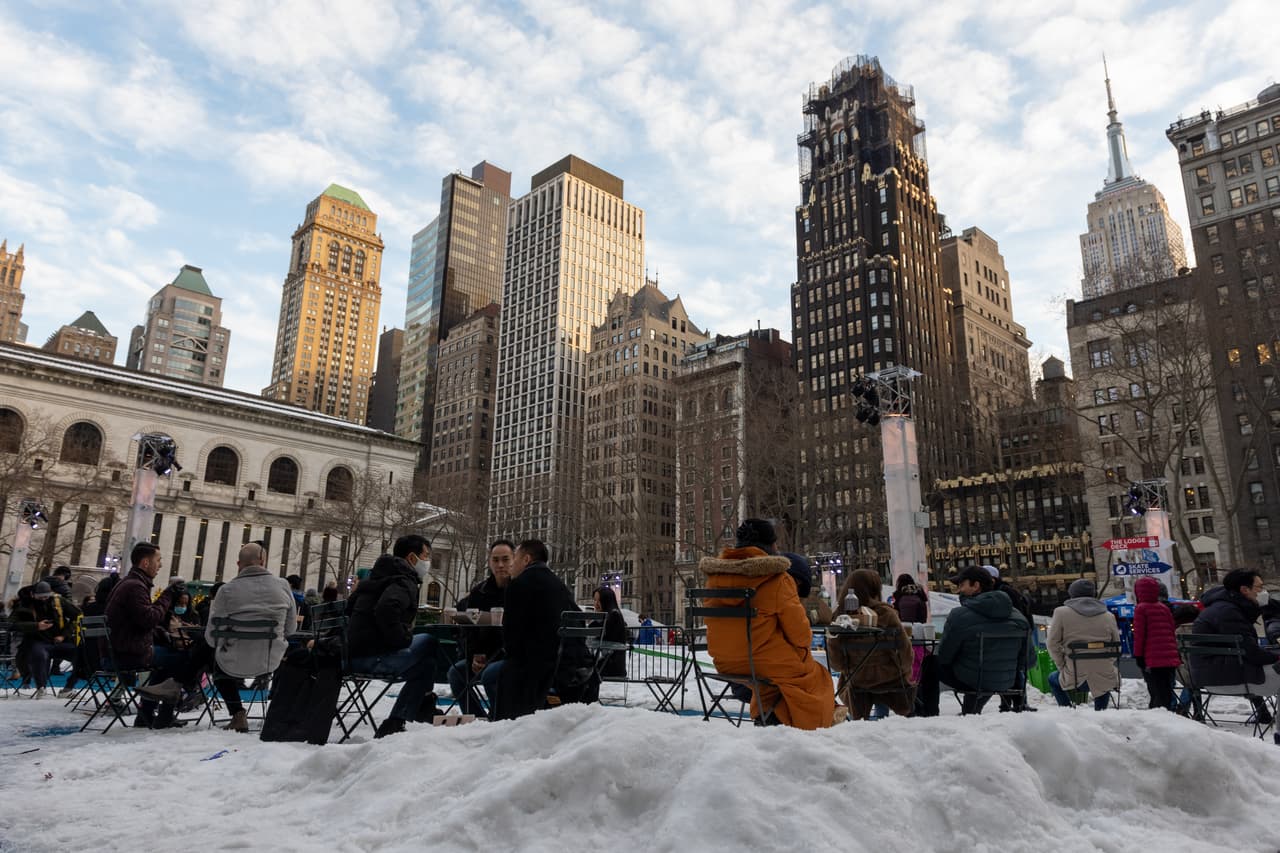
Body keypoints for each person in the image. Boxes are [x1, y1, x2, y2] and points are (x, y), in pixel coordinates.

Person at [699, 518, 835, 730]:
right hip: (763, 662)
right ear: (771, 546)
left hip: (724, 661)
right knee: (818, 676)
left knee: (771, 683)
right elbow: (800, 634)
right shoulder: (777, 579)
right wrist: (800, 651)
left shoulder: (715, 579)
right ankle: (809, 728)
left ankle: (769, 719)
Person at [345, 534, 439, 738]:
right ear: (412, 558)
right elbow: (386, 609)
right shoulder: (404, 580)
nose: (428, 561)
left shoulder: (375, 575)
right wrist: (402, 639)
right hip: (374, 658)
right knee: (431, 641)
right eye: (426, 556)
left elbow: (349, 608)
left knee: (427, 665)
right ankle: (417, 708)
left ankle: (398, 721)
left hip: (351, 654)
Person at [206, 542, 298, 732]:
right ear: (263, 561)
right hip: (271, 660)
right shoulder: (282, 586)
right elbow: (290, 629)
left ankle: (237, 713)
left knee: (208, 653)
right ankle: (281, 712)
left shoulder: (226, 590)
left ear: (239, 564)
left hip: (232, 662)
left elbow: (213, 637)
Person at [492, 539, 585, 720]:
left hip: (533, 670)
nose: (512, 565)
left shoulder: (518, 585)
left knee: (495, 673)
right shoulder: (560, 586)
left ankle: (498, 723)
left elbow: (512, 638)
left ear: (526, 559)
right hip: (566, 665)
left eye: (515, 559)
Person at [104, 543, 194, 728]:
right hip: (129, 653)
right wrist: (167, 595)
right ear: (145, 563)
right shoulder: (135, 587)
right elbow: (149, 618)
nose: (160, 565)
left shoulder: (130, 584)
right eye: (158, 560)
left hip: (121, 649)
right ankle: (163, 713)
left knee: (168, 662)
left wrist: (160, 634)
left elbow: (137, 621)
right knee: (183, 658)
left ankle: (147, 713)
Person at [935, 565, 1034, 715]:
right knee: (982, 670)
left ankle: (927, 714)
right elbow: (1029, 660)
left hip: (971, 679)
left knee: (929, 664)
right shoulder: (1018, 617)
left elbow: (944, 656)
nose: (959, 590)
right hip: (1006, 681)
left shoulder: (959, 616)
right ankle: (971, 711)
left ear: (976, 586)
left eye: (962, 584)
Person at [1190, 569, 1280, 722]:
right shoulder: (1229, 612)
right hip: (1223, 676)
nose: (1263, 592)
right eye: (1259, 587)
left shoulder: (1225, 606)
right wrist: (1277, 655)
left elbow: (1247, 649)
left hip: (1216, 671)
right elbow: (1252, 653)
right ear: (1245, 590)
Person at [833, 569, 915, 720]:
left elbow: (836, 663)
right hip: (891, 678)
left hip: (858, 680)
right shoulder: (887, 614)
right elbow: (906, 652)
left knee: (852, 684)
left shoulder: (840, 616)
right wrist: (903, 672)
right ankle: (882, 717)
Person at [447, 539, 514, 717]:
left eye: (506, 559)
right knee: (456, 673)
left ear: (514, 560)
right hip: (484, 656)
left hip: (511, 657)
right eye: (495, 559)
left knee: (491, 674)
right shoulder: (479, 591)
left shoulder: (522, 589)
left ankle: (499, 716)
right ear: (490, 562)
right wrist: (475, 655)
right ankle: (477, 719)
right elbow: (470, 629)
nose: (500, 565)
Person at [1046, 578, 1120, 710]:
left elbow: (1052, 644)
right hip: (1105, 676)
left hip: (1074, 677)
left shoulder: (1061, 612)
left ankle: (1067, 711)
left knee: (1052, 679)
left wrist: (1062, 665)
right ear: (1093, 594)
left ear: (1072, 594)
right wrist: (1105, 662)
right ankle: (1101, 712)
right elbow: (1116, 646)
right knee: (1102, 678)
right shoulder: (1108, 615)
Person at [12, 581, 81, 697]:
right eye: (40, 597)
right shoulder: (25, 604)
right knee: (39, 655)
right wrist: (36, 626)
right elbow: (12, 624)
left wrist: (64, 635)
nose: (43, 599)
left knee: (81, 656)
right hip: (38, 641)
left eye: (46, 596)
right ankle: (41, 687)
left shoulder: (59, 601)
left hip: (60, 640)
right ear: (33, 595)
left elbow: (78, 616)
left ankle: (68, 688)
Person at [1132, 576, 1180, 710]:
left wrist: (1139, 656)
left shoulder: (1141, 609)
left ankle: (1157, 717)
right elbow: (1171, 631)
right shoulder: (1164, 608)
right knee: (1166, 690)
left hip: (1151, 659)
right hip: (1169, 658)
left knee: (1155, 691)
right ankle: (1168, 713)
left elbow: (1140, 635)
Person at [592, 586, 628, 679]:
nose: (595, 604)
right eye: (595, 600)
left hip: (612, 665)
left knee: (585, 669)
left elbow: (603, 638)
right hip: (608, 662)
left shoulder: (613, 615)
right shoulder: (611, 614)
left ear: (606, 600)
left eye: (598, 600)